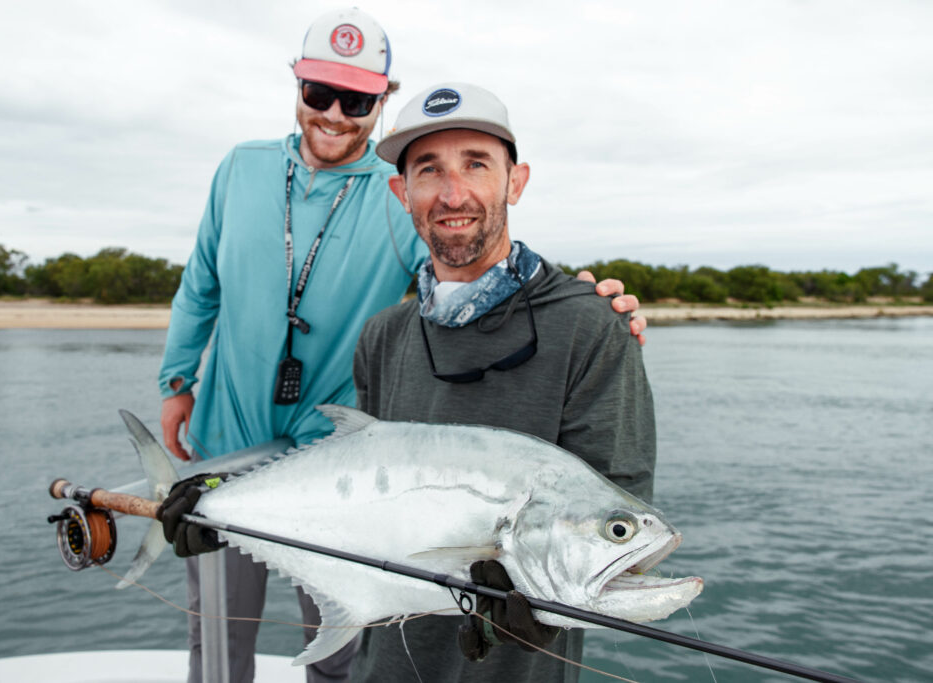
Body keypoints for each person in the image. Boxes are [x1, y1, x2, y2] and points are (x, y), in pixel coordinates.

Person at [157, 9, 644, 683]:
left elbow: (474, 249)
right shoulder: (241, 171)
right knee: (216, 642)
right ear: (297, 87)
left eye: (356, 99)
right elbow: (200, 281)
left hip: (328, 460)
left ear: (380, 100)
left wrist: (583, 305)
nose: (333, 112)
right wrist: (175, 382)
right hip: (225, 437)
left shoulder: (400, 207)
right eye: (318, 92)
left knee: (334, 644)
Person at [348, 83, 656, 682]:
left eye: (476, 164)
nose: (452, 193)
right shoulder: (381, 337)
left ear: (516, 182)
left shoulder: (593, 326)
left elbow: (619, 524)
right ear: (401, 192)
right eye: (429, 170)